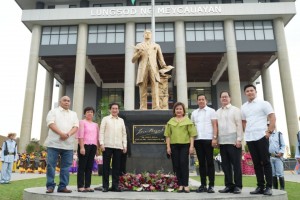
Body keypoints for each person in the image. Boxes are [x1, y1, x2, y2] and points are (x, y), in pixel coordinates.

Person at [241, 84, 276, 196]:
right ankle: (260, 186)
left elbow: (272, 117)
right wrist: (247, 132)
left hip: (261, 136)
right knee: (256, 163)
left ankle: (269, 187)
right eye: (247, 91)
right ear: (245, 93)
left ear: (255, 91)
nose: (250, 92)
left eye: (252, 90)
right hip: (250, 138)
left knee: (265, 161)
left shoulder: (264, 104)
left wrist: (269, 132)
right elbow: (243, 121)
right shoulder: (244, 107)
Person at [44, 96, 79, 193]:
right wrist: (61, 134)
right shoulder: (53, 112)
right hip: (53, 143)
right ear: (60, 102)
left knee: (66, 167)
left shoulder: (73, 114)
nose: (67, 102)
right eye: (65, 100)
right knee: (51, 165)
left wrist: (67, 135)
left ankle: (63, 186)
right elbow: (51, 124)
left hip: (68, 145)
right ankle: (50, 186)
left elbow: (76, 126)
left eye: (68, 100)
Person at [164, 102, 197, 193]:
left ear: (183, 111)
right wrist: (168, 147)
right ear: (174, 110)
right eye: (177, 109)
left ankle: (186, 185)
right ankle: (180, 185)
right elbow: (167, 136)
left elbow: (192, 135)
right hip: (174, 146)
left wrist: (191, 146)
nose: (179, 110)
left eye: (180, 109)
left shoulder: (188, 121)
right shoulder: (170, 121)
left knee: (183, 164)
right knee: (176, 165)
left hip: (185, 145)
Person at [132, 29, 167, 110]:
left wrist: (164, 66)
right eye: (146, 33)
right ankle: (143, 107)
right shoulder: (139, 45)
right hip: (142, 68)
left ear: (151, 35)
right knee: (142, 88)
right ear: (143, 35)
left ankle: (156, 106)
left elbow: (160, 58)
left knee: (155, 87)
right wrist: (138, 53)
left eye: (149, 33)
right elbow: (133, 60)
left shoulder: (156, 45)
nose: (147, 34)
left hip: (153, 68)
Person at [216, 91, 243, 194]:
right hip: (222, 142)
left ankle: (238, 186)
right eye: (222, 97)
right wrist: (217, 140)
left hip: (234, 142)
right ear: (220, 99)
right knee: (225, 165)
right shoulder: (218, 112)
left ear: (230, 98)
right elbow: (217, 127)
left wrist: (239, 139)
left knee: (236, 165)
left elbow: (239, 125)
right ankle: (228, 185)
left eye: (226, 97)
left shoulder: (235, 110)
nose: (224, 98)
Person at [191, 95, 218, 193]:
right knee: (201, 163)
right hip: (198, 140)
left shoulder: (211, 111)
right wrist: (192, 143)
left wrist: (214, 138)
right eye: (199, 100)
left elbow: (215, 125)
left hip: (208, 139)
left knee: (210, 163)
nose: (201, 101)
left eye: (203, 99)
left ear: (206, 100)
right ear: (197, 101)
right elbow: (192, 127)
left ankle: (211, 185)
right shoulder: (194, 113)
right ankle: (203, 185)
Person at [99, 103, 127, 192]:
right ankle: (105, 186)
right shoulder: (105, 119)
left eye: (116, 108)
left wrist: (124, 145)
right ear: (110, 110)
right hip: (107, 146)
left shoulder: (121, 120)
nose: (115, 110)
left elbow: (124, 134)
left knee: (116, 167)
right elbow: (101, 132)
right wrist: (101, 143)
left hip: (118, 147)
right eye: (113, 108)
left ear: (118, 110)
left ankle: (115, 186)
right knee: (106, 167)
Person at [76, 106, 99, 192]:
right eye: (88, 112)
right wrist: (82, 147)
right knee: (82, 166)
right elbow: (80, 135)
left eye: (91, 112)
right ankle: (80, 186)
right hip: (84, 146)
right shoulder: (82, 122)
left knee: (89, 167)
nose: (90, 113)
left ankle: (87, 186)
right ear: (85, 114)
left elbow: (97, 137)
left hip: (93, 146)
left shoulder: (96, 125)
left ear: (93, 114)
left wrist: (97, 148)